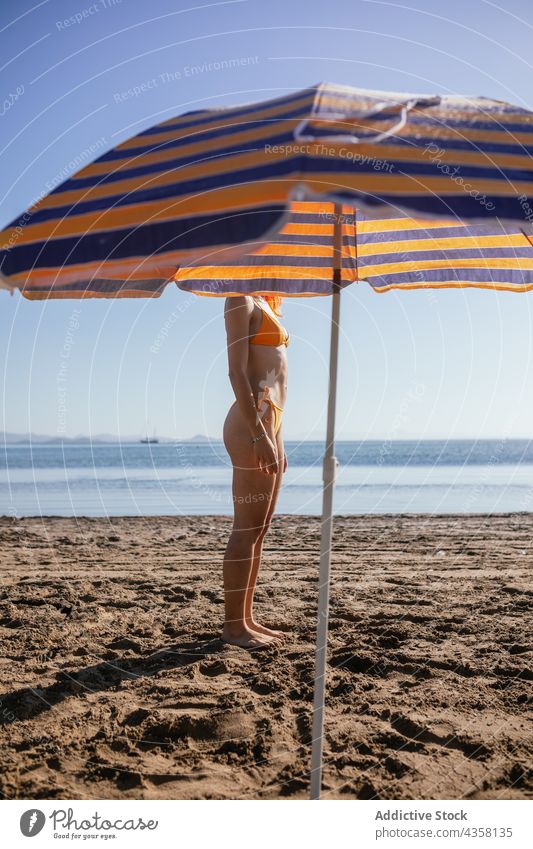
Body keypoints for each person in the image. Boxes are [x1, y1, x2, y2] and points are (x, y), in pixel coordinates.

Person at [222, 293, 289, 648]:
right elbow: (236, 372)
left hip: (270, 423)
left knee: (259, 530)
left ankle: (245, 619)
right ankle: (233, 628)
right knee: (246, 529)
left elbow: (278, 379)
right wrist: (260, 433)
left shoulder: (266, 302)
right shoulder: (239, 300)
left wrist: (280, 439)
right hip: (252, 424)